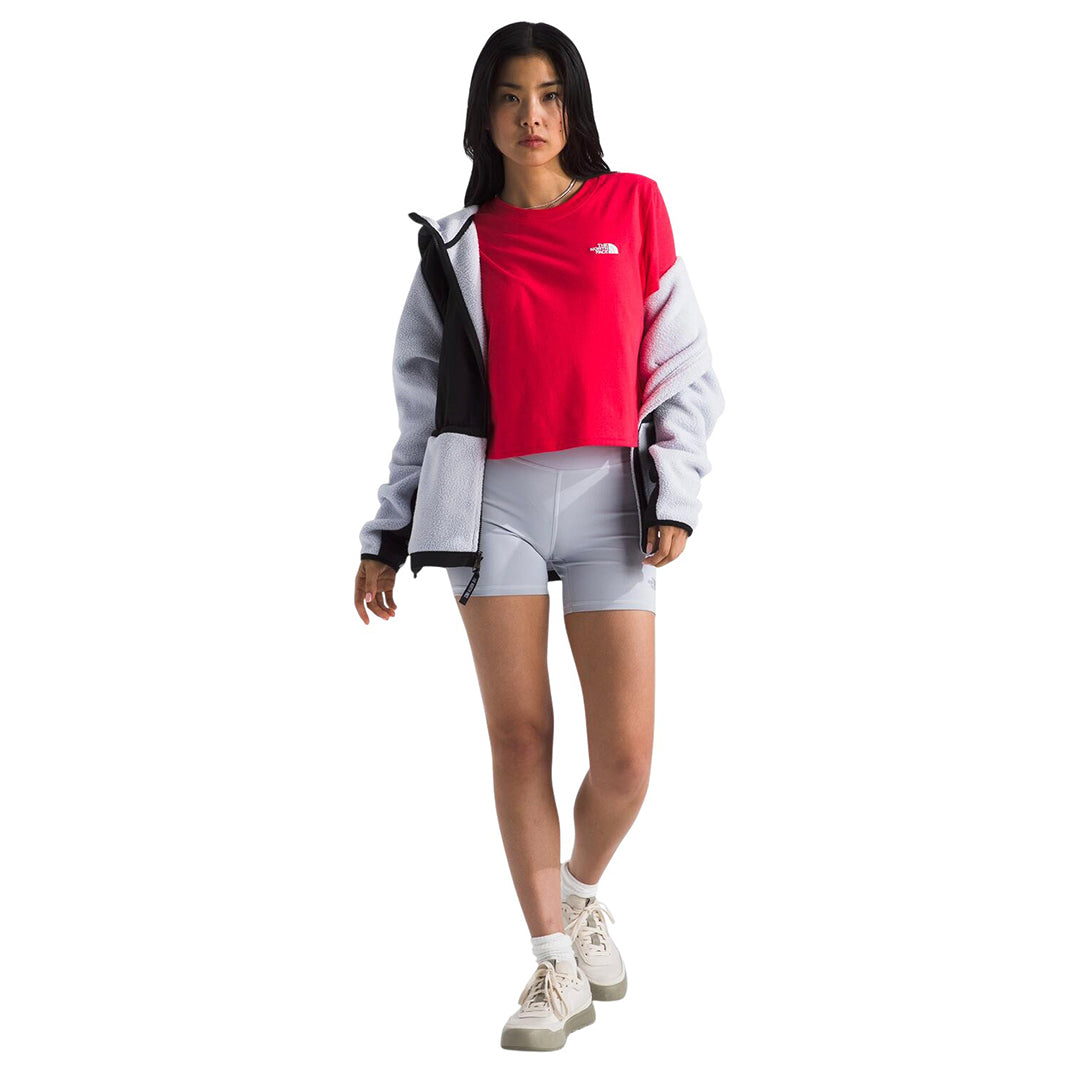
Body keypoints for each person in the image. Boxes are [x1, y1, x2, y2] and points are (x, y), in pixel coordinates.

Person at [354, 22, 724, 1051]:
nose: (533, 117)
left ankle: (579, 890)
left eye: (552, 95)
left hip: (611, 503)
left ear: (576, 107)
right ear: (485, 114)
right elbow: (421, 406)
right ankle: (553, 962)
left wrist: (676, 492)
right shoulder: (455, 246)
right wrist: (387, 532)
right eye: (512, 97)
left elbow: (684, 368)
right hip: (495, 508)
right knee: (519, 736)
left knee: (627, 763)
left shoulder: (632, 206)